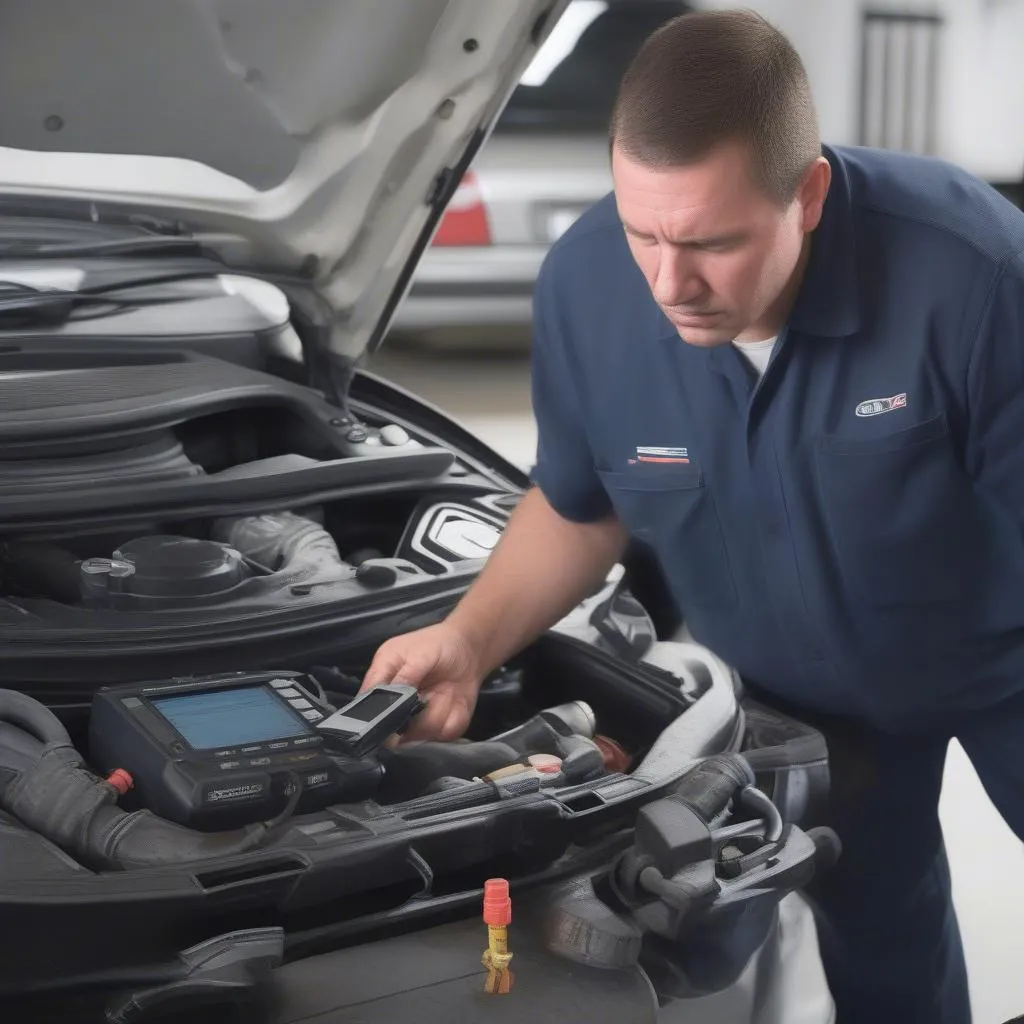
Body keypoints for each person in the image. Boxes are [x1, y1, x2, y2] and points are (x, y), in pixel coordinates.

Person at [363, 9, 1024, 1022]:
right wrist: (465, 638)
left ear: (808, 195)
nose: (670, 283)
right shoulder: (586, 286)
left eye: (712, 241)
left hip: (999, 664)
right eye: (644, 233)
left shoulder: (968, 271)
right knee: (881, 943)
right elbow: (581, 507)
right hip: (802, 701)